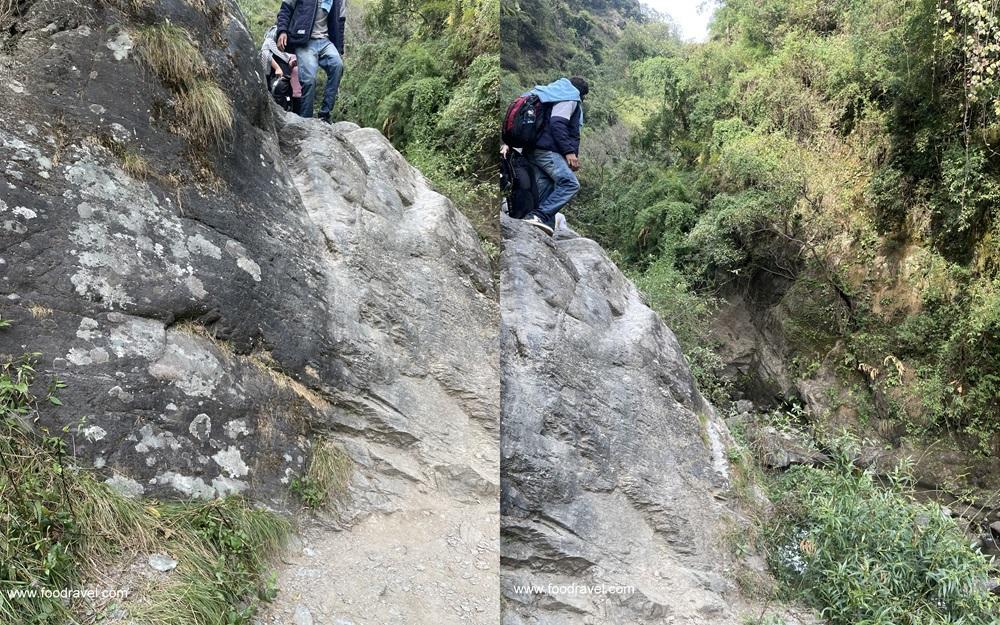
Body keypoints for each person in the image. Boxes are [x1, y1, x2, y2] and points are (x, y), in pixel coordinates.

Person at [522, 76, 588, 235]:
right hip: (548, 151)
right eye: (583, 96)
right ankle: (538, 215)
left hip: (534, 149)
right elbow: (558, 123)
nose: (582, 99)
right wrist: (569, 152)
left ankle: (542, 226)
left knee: (546, 188)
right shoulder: (569, 97)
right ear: (579, 92)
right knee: (570, 183)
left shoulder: (550, 95)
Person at [275, 0, 346, 122]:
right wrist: (282, 31)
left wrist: (339, 48)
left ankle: (325, 114)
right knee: (309, 79)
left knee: (337, 65)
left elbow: (340, 21)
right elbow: (286, 8)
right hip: (304, 40)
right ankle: (306, 120)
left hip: (325, 40)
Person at [260, 25, 302, 114]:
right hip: (277, 78)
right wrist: (277, 68)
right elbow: (265, 51)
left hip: (286, 78)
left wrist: (290, 65)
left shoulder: (291, 31)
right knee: (278, 100)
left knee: (286, 101)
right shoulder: (276, 30)